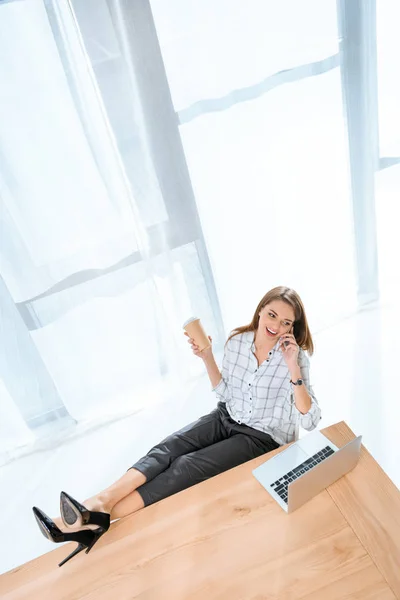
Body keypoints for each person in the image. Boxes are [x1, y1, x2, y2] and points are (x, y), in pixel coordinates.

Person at [32, 285, 321, 566]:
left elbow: (310, 419)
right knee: (167, 448)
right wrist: (207, 357)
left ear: (291, 329)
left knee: (185, 466)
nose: (276, 325)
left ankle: (87, 522)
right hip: (227, 416)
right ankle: (97, 505)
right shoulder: (237, 342)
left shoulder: (295, 358)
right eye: (271, 315)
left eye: (286, 322)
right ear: (260, 312)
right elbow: (225, 394)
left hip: (262, 438)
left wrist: (293, 368)